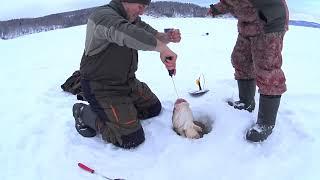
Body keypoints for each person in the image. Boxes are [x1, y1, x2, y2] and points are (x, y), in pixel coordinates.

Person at [72, 0, 181, 149]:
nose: (142, 12)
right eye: (140, 6)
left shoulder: (132, 19)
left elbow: (152, 35)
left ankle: (121, 111)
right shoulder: (102, 17)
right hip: (101, 87)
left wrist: (167, 38)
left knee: (153, 109)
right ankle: (84, 113)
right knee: (131, 138)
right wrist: (161, 48)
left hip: (127, 82)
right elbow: (127, 33)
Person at [208, 0, 289, 142]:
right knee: (240, 59)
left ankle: (266, 123)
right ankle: (246, 102)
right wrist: (215, 9)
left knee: (267, 69)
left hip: (268, 21)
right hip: (247, 25)